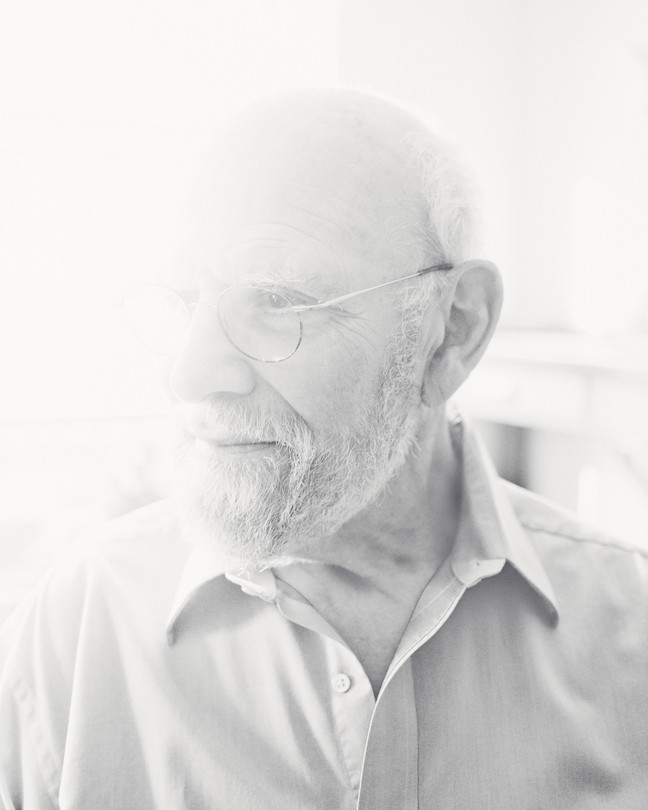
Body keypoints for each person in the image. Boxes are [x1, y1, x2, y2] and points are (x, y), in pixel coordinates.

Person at [1, 88, 647, 810]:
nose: (188, 374)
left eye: (276, 300)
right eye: (186, 303)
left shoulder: (633, 633)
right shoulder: (78, 632)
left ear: (454, 329)